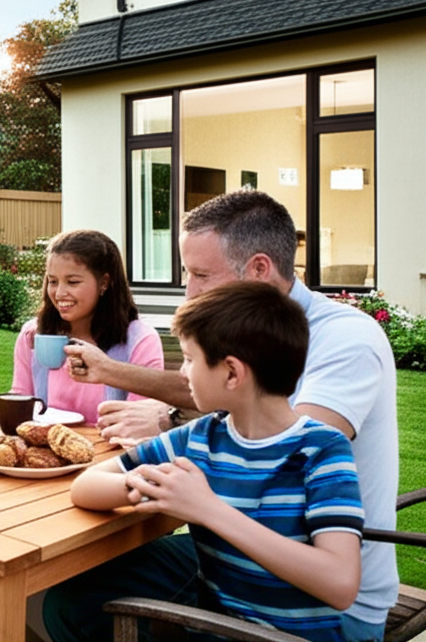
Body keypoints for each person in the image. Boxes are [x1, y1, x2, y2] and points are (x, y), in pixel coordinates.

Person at [49, 190, 397, 641]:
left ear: (258, 270)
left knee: (95, 606)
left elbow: (276, 451)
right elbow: (223, 416)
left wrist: (170, 427)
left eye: (200, 275)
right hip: (233, 565)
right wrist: (162, 456)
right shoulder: (223, 390)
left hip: (317, 606)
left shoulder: (347, 341)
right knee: (69, 595)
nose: (188, 290)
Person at [67, 281, 363, 641]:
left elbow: (340, 584)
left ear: (232, 373)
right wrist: (150, 484)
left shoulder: (321, 449)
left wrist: (208, 509)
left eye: (190, 359)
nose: (182, 372)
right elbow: (85, 486)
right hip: (214, 629)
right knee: (70, 603)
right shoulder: (202, 437)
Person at [11, 230, 163, 426]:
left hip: (113, 451)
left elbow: (139, 424)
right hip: (44, 451)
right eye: (53, 281)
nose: (59, 293)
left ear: (104, 283)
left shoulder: (139, 341)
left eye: (72, 282)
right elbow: (19, 405)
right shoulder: (33, 335)